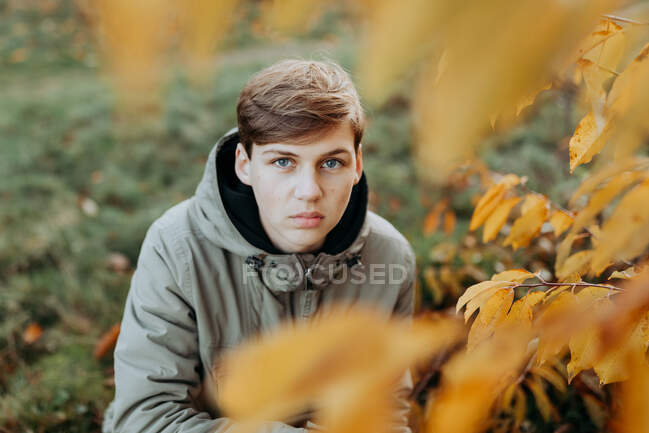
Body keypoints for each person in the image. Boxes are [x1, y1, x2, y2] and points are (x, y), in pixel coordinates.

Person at [102, 59, 416, 433]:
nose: (309, 192)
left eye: (331, 163)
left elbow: (383, 410)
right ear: (245, 164)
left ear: (357, 165)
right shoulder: (176, 248)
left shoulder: (389, 257)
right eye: (284, 161)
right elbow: (143, 419)